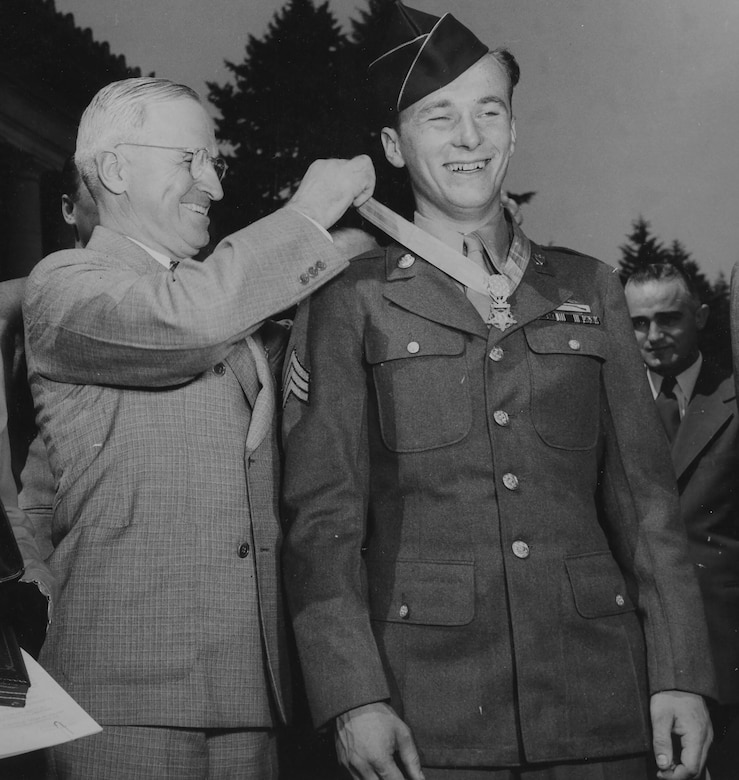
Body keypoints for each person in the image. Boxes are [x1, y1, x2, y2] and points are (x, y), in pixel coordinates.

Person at [281, 4, 715, 779]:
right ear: (391, 145)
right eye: (437, 117)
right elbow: (323, 524)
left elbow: (646, 503)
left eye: (489, 113)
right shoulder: (351, 296)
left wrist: (680, 672)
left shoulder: (588, 286)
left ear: (513, 132)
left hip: (600, 700)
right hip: (428, 711)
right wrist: (352, 697)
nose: (469, 138)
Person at [23, 76, 374, 779]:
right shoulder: (66, 285)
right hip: (120, 700)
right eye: (191, 161)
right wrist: (305, 216)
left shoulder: (227, 310)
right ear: (116, 169)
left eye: (213, 163)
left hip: (248, 696)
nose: (212, 184)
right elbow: (185, 320)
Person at [624, 263, 739, 779]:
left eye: (669, 318)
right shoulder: (611, 405)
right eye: (637, 322)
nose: (653, 336)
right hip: (640, 657)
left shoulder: (731, 396)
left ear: (703, 316)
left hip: (726, 649)